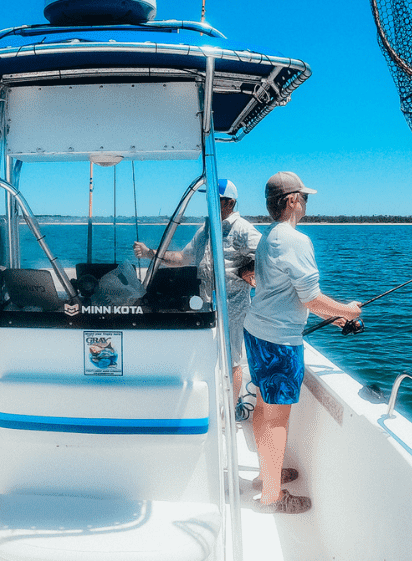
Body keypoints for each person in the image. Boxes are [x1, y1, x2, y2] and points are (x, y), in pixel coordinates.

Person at [242, 172, 362, 514]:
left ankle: (269, 473)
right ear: (292, 200)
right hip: (280, 343)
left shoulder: (270, 237)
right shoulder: (297, 240)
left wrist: (336, 316)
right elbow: (310, 298)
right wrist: (349, 310)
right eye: (305, 197)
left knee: (264, 408)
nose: (307, 202)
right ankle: (271, 497)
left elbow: (286, 293)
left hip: (257, 331)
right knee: (277, 418)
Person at [133, 179, 260, 403]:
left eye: (216, 199)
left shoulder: (242, 229)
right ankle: (211, 404)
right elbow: (183, 258)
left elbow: (266, 257)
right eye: (209, 197)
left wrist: (248, 272)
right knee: (207, 357)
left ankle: (229, 410)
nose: (210, 202)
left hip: (233, 309)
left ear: (229, 203)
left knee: (231, 361)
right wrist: (151, 253)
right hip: (206, 307)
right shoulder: (205, 230)